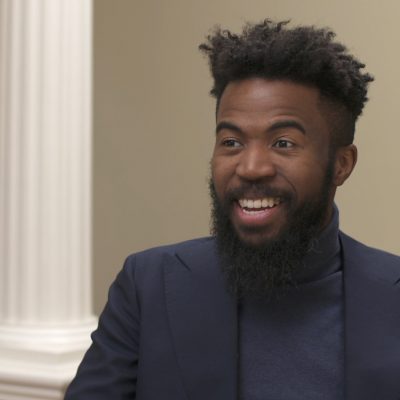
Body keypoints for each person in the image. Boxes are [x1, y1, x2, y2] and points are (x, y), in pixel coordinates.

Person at [65, 20, 400, 400]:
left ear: (341, 164)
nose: (251, 167)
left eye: (284, 142)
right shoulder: (148, 286)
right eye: (231, 141)